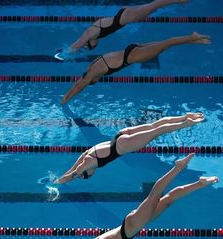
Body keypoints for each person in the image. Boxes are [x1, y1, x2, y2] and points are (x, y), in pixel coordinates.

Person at [46, 153, 219, 239]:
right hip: (128, 225)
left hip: (131, 228)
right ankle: (199, 183)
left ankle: (178, 167)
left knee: (155, 194)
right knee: (167, 200)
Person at [61, 32, 211, 104]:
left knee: (167, 43)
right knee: (164, 44)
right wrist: (67, 94)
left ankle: (192, 37)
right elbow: (78, 83)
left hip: (133, 56)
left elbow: (80, 86)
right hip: (132, 48)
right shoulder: (92, 65)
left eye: (96, 81)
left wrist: (65, 99)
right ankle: (195, 41)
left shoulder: (94, 72)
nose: (99, 80)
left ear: (94, 79)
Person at [54, 113, 204, 184]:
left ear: (87, 171)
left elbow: (72, 174)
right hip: (119, 136)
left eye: (87, 176)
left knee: (156, 131)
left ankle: (186, 123)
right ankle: (185, 116)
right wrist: (62, 176)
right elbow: (72, 169)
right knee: (154, 125)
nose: (89, 175)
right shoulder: (85, 156)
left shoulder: (87, 163)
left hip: (123, 145)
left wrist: (55, 184)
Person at [64, 0, 189, 53]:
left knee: (153, 6)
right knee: (151, 8)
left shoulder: (90, 33)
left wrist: (66, 54)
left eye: (89, 46)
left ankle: (179, 0)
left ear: (91, 42)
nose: (92, 46)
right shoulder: (96, 33)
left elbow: (76, 45)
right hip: (124, 16)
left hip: (125, 17)